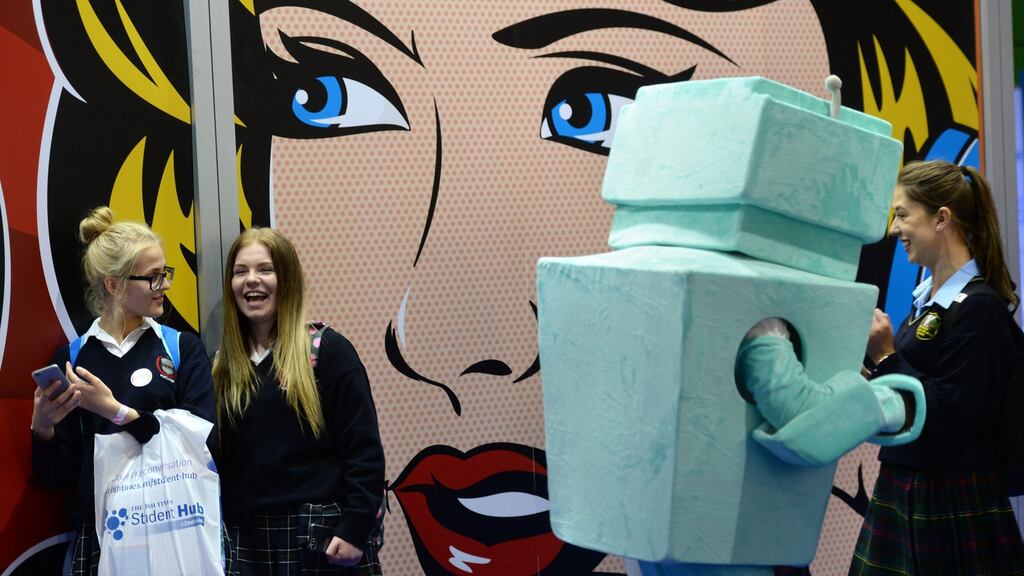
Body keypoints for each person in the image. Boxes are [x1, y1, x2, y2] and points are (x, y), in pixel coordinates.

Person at [851, 160, 1024, 574]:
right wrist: (872, 379)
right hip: (909, 484)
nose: (894, 229)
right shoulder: (928, 302)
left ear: (942, 219)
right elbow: (919, 394)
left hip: (949, 493)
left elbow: (951, 413)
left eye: (902, 214)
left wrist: (887, 357)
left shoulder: (979, 308)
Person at [29, 206, 216, 575]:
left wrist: (114, 410)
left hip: (175, 523)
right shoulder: (73, 359)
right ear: (113, 285)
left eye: (165, 273)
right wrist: (43, 428)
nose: (165, 286)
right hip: (103, 535)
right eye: (153, 277)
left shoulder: (181, 348)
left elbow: (205, 440)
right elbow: (56, 477)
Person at [214, 227, 385, 575]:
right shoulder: (222, 366)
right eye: (240, 271)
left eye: (265, 269)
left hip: (320, 538)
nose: (251, 280)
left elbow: (364, 450)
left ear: (288, 279)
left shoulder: (328, 350)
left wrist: (355, 527)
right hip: (248, 541)